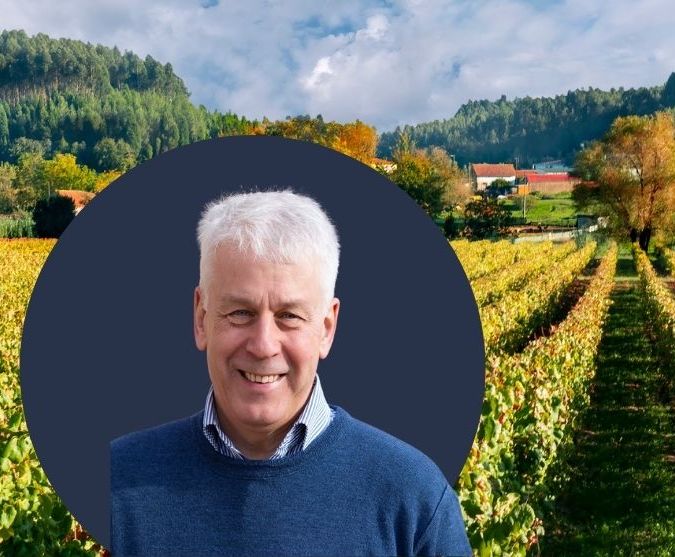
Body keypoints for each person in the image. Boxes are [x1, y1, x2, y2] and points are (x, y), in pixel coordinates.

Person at [111, 190, 472, 557]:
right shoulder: (115, 484)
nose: (263, 344)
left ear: (327, 328)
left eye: (289, 316)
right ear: (201, 318)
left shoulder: (413, 498)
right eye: (240, 312)